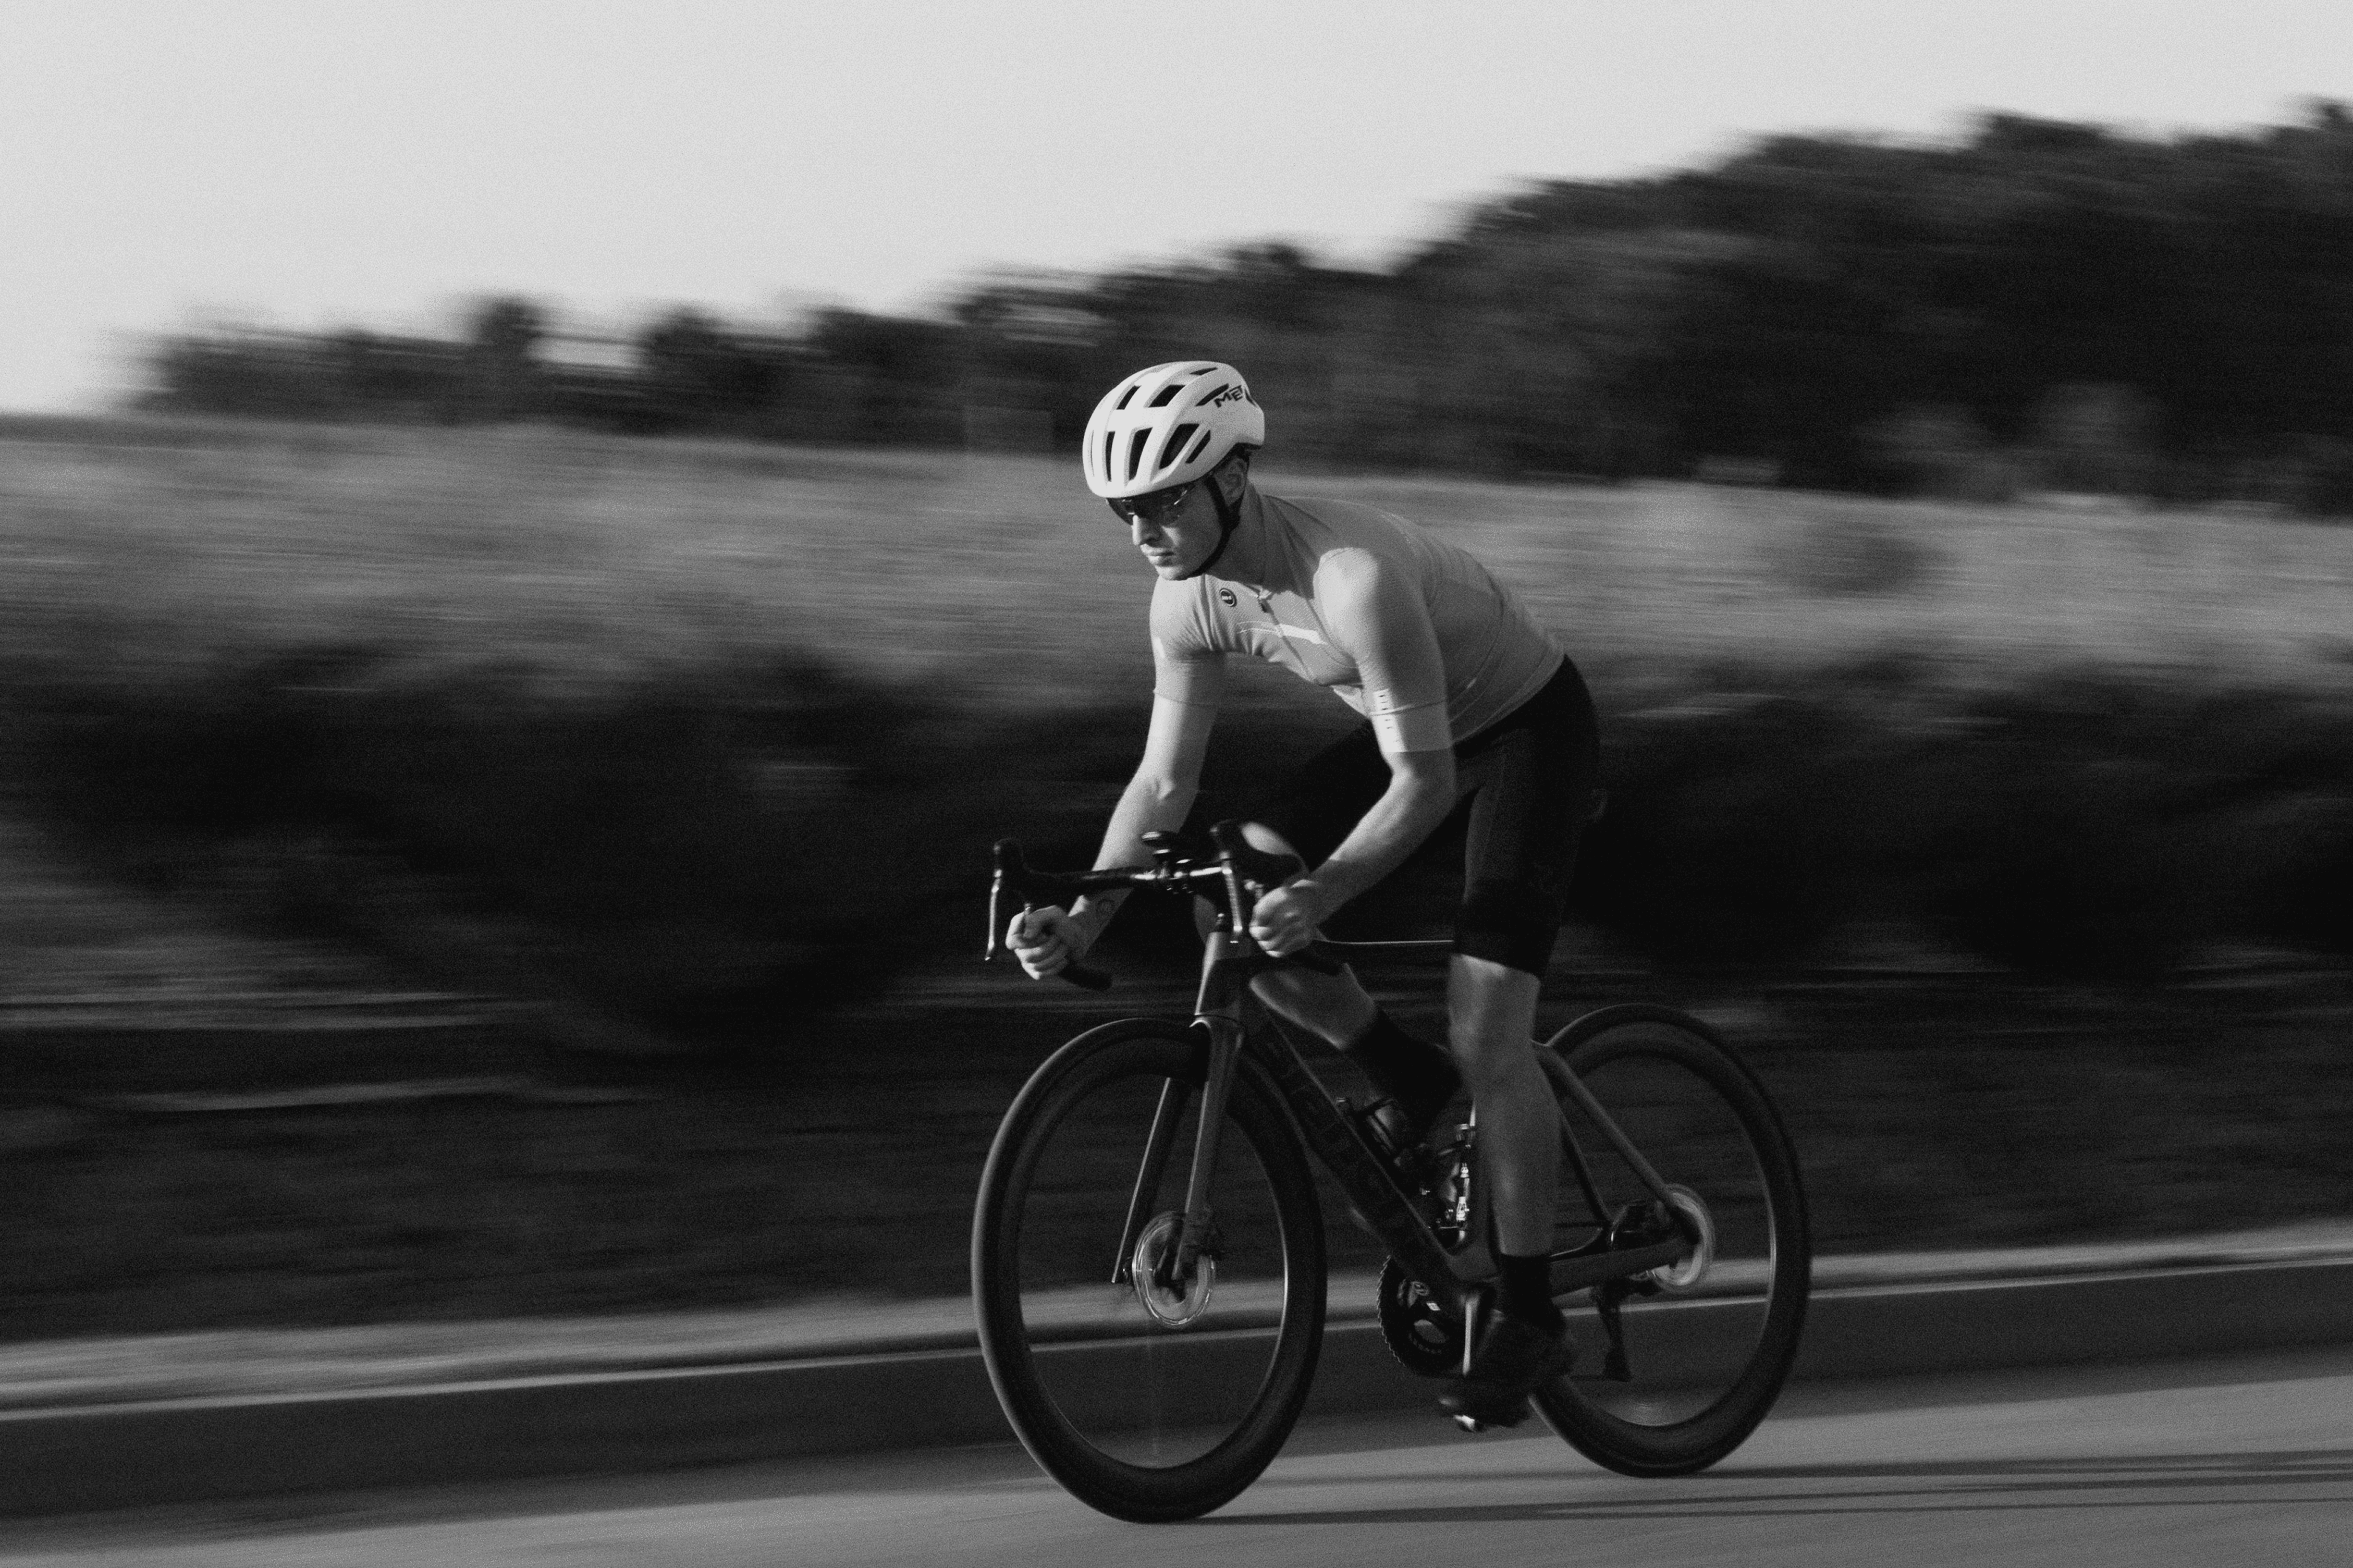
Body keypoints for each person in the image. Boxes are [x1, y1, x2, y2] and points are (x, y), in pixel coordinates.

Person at [1008, 360, 1601, 1428]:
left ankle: (1526, 1313)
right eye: (1124, 510)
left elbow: (1421, 786)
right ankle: (1404, 1078)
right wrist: (1086, 912)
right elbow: (1162, 782)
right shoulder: (1184, 599)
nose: (1143, 527)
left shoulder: (1349, 577)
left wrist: (1321, 894)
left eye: (1165, 499)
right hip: (1412, 730)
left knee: (1490, 1026)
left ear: (1236, 478)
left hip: (1525, 732)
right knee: (1223, 904)